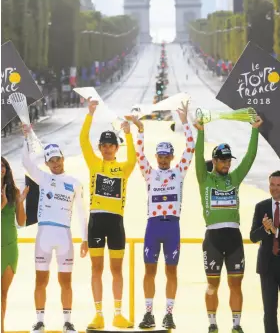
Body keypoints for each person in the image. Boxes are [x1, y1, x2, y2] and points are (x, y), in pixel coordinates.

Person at [194, 115, 263, 333]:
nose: (227, 164)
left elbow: (250, 157)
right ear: (214, 161)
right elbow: (197, 157)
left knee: (235, 284)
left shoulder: (234, 178)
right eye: (223, 160)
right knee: (213, 285)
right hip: (213, 238)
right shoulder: (204, 179)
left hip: (234, 237)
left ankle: (236, 325)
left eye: (228, 160)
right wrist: (201, 132)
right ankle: (212, 324)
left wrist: (255, 130)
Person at [130, 101, 195, 330]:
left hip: (172, 227)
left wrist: (185, 123)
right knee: (149, 270)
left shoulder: (179, 172)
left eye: (167, 156)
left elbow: (190, 148)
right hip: (154, 226)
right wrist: (139, 130)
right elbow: (139, 155)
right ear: (157, 157)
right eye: (161, 156)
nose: (164, 160)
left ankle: (168, 314)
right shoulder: (150, 173)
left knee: (171, 270)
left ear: (172, 156)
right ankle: (148, 313)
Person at [21, 126, 88, 333]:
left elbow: (81, 212)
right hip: (44, 235)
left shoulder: (74, 183)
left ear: (63, 158)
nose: (56, 164)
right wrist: (27, 137)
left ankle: (68, 322)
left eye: (58, 159)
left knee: (65, 281)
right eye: (51, 161)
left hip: (64, 236)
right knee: (41, 280)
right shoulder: (43, 178)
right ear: (47, 163)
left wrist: (85, 239)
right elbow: (26, 163)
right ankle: (39, 321)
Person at [79, 99, 137, 329]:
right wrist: (90, 115)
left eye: (110, 145)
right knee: (96, 268)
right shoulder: (94, 163)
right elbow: (83, 141)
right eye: (103, 145)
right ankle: (98, 314)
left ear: (116, 148)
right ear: (100, 147)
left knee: (116, 270)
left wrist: (129, 133)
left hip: (115, 223)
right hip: (96, 221)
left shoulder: (123, 168)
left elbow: (133, 158)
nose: (106, 148)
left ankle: (118, 314)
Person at [250, 170, 280, 333]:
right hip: (267, 267)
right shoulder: (261, 207)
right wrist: (265, 228)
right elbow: (253, 236)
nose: (274, 188)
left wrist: (274, 230)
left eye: (278, 185)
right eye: (272, 185)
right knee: (269, 311)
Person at [1, 157, 29, 333]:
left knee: (3, 293)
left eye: (2, 165)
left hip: (10, 246)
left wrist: (19, 202)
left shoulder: (14, 191)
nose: (0, 168)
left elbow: (21, 221)